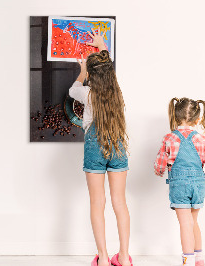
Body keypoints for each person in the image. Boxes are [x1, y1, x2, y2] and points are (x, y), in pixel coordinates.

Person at [69, 28, 132, 266]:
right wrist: (103, 46)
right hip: (117, 146)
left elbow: (71, 90)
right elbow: (108, 70)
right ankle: (124, 257)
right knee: (120, 202)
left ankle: (104, 258)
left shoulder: (87, 93)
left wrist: (83, 70)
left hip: (95, 148)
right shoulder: (117, 92)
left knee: (98, 203)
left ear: (92, 77)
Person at [154, 98, 205, 266]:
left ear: (175, 117)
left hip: (179, 186)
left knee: (185, 224)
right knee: (193, 222)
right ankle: (199, 260)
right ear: (197, 120)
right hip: (198, 185)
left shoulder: (169, 138)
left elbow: (159, 164)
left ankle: (188, 261)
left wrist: (159, 171)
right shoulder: (202, 139)